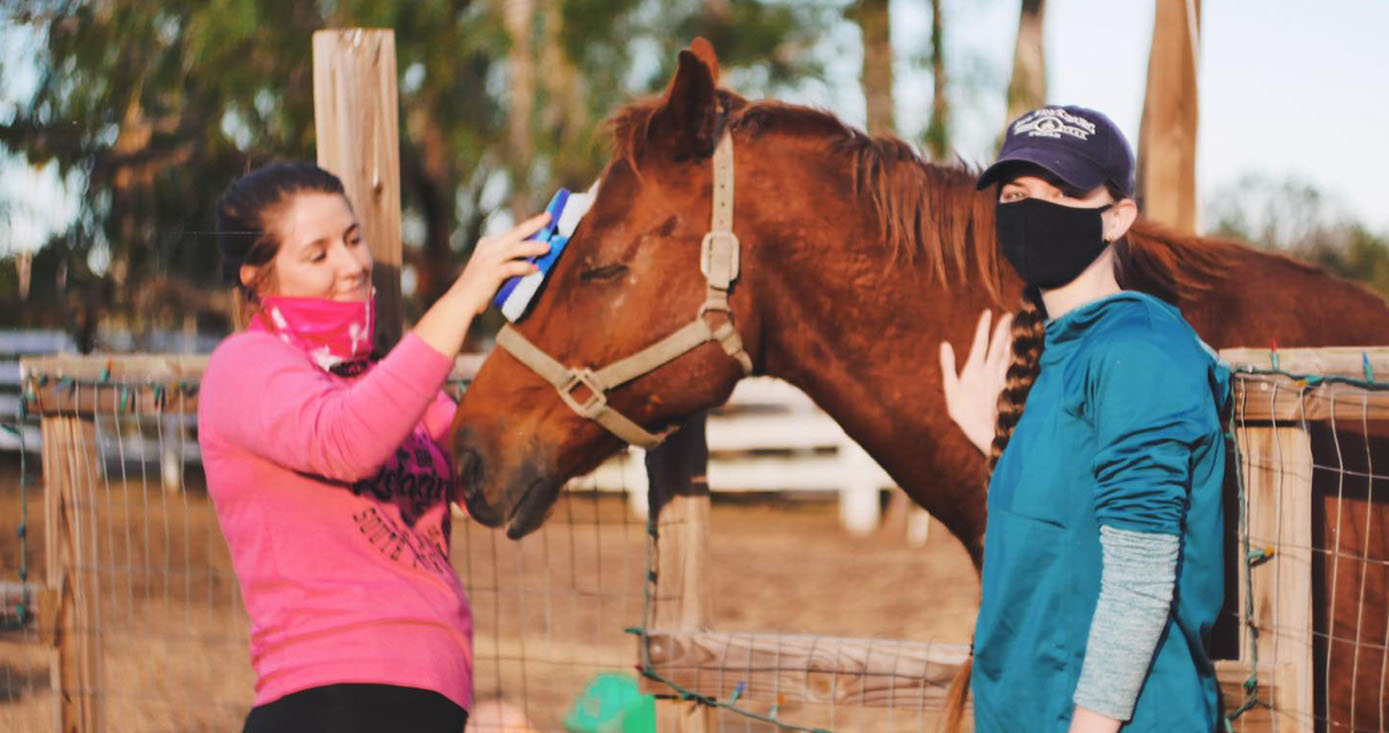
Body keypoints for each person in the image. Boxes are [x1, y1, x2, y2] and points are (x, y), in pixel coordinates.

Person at [199, 162, 549, 732]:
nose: (354, 264)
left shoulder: (389, 380)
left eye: (354, 238)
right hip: (326, 699)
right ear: (258, 279)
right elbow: (347, 441)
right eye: (318, 254)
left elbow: (496, 484)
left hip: (435, 693)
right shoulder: (245, 366)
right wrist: (465, 296)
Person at [938, 106, 1229, 732]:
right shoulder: (1062, 353)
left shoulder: (1140, 350)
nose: (1030, 211)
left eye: (1062, 192)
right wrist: (992, 439)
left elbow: (1138, 581)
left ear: (1118, 217)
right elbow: (1061, 534)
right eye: (1015, 195)